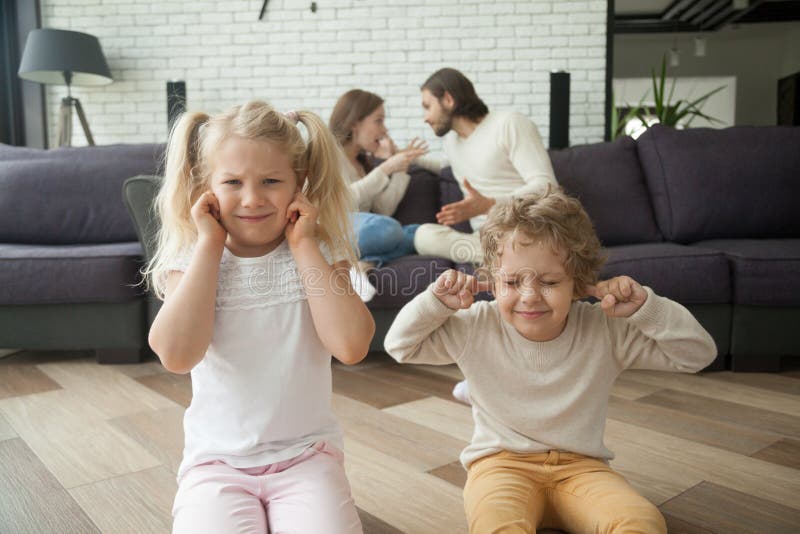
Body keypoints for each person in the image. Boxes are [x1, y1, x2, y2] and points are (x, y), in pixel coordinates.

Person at [384, 188, 717, 534]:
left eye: (550, 281)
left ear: (579, 282)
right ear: (492, 282)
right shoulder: (477, 325)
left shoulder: (606, 329)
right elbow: (400, 346)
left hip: (583, 468)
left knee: (643, 523)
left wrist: (647, 308)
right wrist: (435, 302)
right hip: (499, 467)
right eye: (512, 281)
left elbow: (697, 354)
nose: (529, 296)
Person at [145, 101, 373, 534]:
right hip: (214, 463)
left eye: (271, 181)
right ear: (205, 186)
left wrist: (305, 246)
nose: (252, 199)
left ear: (299, 183)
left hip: (308, 457)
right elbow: (176, 355)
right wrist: (210, 246)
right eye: (232, 182)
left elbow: (351, 346)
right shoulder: (190, 257)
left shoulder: (321, 253)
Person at [414, 67, 558, 265]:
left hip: (524, 229)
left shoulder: (509, 123)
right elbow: (442, 166)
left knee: (521, 240)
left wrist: (490, 204)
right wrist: (399, 157)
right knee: (423, 235)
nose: (425, 118)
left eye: (427, 106)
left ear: (448, 99)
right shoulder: (452, 144)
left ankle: (516, 256)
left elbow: (547, 186)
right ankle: (511, 258)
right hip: (485, 240)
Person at [329, 89, 429, 300]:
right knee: (390, 229)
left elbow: (383, 209)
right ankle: (360, 264)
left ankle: (362, 265)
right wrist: (384, 169)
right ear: (355, 122)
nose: (384, 130)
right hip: (334, 228)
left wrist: (399, 168)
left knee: (416, 233)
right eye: (379, 121)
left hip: (362, 235)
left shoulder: (362, 164)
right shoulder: (329, 155)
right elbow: (341, 202)